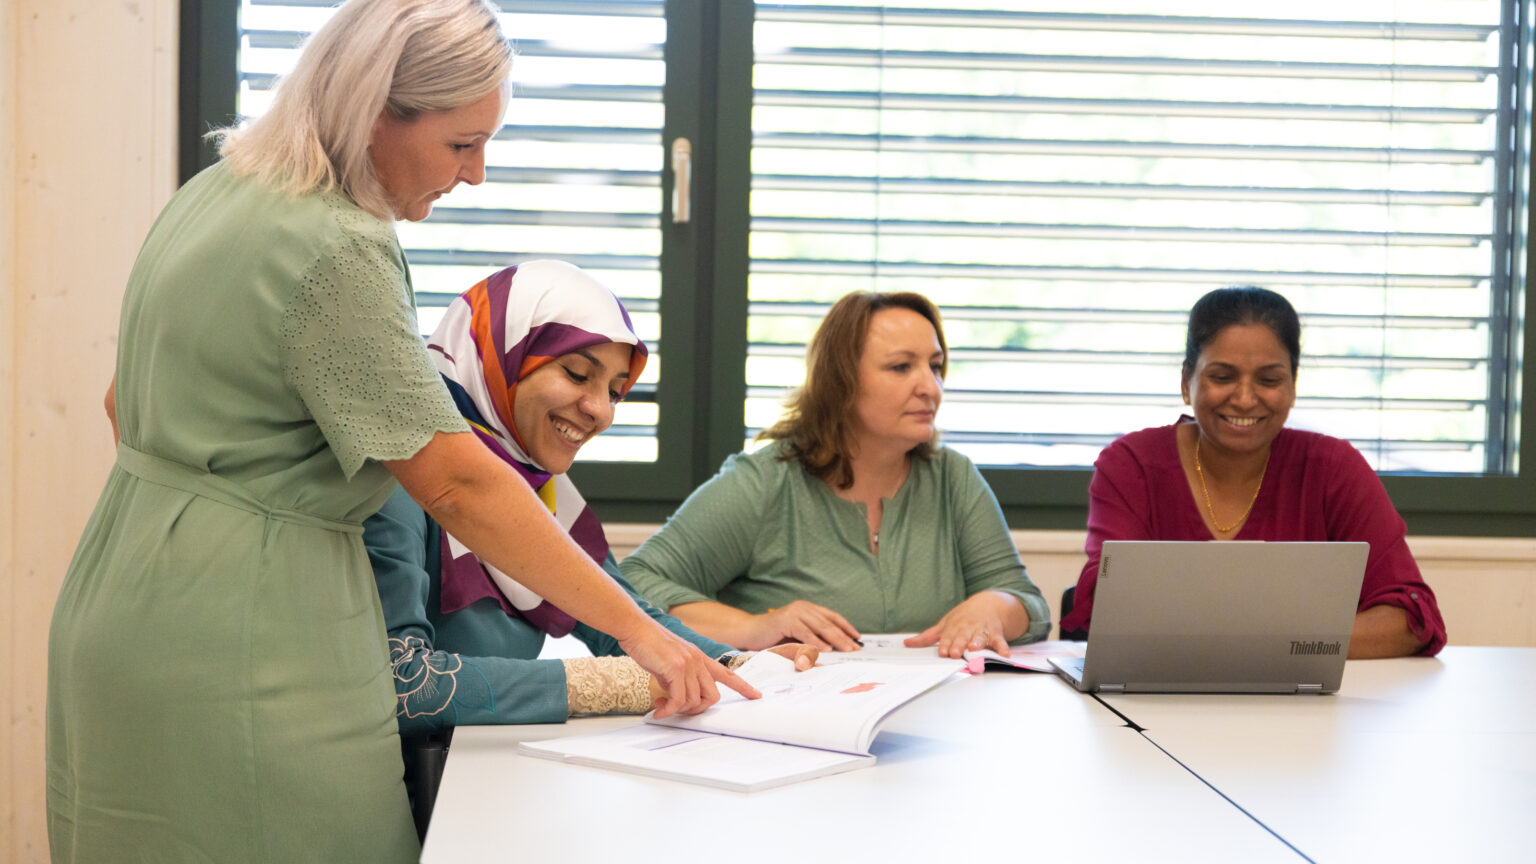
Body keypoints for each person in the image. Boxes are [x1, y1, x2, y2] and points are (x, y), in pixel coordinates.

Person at [46, 3, 751, 862]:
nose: (475, 173)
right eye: (462, 143)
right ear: (376, 110)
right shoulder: (335, 243)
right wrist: (638, 637)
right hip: (246, 641)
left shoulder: (216, 193)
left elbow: (123, 404)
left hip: (122, 594)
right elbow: (455, 482)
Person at [363, 261, 815, 781]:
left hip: (491, 778)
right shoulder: (401, 479)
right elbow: (403, 683)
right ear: (498, 361)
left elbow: (630, 620)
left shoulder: (542, 489)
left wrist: (743, 667)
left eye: (616, 391)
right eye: (577, 374)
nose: (601, 410)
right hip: (402, 790)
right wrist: (623, 683)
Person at [621, 291, 1051, 659]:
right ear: (840, 382)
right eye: (902, 367)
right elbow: (634, 584)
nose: (931, 387)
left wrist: (994, 606)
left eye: (935, 366)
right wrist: (754, 628)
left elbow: (1028, 603)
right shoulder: (764, 482)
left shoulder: (953, 478)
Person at [1059, 286, 1447, 658]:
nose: (1245, 399)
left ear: (1293, 385)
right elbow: (1113, 608)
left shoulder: (1333, 468)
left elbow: (1411, 619)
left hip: (1309, 702)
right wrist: (1279, 641)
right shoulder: (1132, 466)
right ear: (1186, 382)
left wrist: (1269, 645)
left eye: (1269, 380)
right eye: (1222, 377)